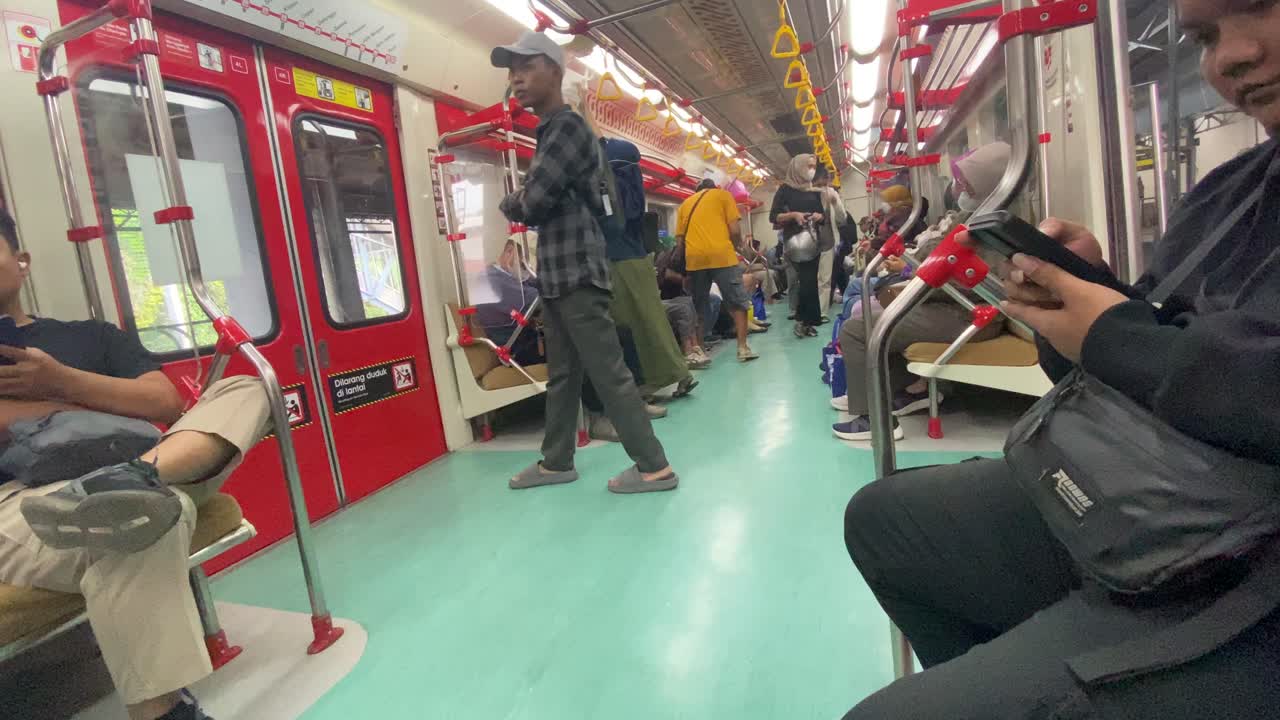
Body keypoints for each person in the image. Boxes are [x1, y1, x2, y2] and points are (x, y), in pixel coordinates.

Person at [841, 0, 1280, 715]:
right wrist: (1087, 298)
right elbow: (1160, 340)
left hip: (1248, 567)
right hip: (1177, 494)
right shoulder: (1233, 191)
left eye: (1255, 9)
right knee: (886, 520)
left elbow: (1175, 359)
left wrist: (1113, 334)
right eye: (1204, 36)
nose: (1228, 56)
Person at [0, 212, 269, 720]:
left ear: (22, 261)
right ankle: (164, 712)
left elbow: (164, 402)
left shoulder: (90, 337)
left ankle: (134, 478)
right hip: (21, 497)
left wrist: (62, 381)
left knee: (248, 387)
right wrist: (100, 405)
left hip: (145, 462)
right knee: (143, 515)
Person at [492, 31, 678, 494]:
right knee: (563, 376)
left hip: (575, 272)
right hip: (558, 275)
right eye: (511, 70)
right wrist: (527, 198)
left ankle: (654, 466)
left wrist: (510, 201)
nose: (515, 78)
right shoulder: (552, 130)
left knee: (608, 371)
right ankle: (556, 461)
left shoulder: (566, 127)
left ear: (555, 70)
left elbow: (533, 203)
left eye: (526, 67)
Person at [830, 145, 1010, 440]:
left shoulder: (988, 226)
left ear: (985, 185)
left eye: (967, 184)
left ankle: (874, 420)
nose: (959, 189)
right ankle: (876, 392)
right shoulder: (977, 217)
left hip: (970, 314)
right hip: (956, 306)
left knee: (857, 329)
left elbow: (968, 277)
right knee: (874, 316)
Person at [599, 138, 699, 396]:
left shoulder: (610, 188)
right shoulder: (633, 184)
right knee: (655, 321)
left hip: (619, 263)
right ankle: (679, 373)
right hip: (640, 260)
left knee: (630, 326)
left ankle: (645, 382)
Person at [676, 177, 758, 362]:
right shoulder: (724, 195)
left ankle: (700, 350)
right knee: (737, 302)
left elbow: (679, 241)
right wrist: (738, 247)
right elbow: (735, 230)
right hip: (722, 255)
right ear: (715, 187)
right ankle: (742, 348)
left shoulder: (685, 204)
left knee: (699, 305)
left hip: (695, 259)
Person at [770, 153, 827, 338]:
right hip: (795, 243)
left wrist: (820, 217)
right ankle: (804, 321)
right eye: (808, 166)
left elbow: (822, 214)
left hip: (813, 241)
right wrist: (793, 215)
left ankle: (806, 321)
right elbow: (774, 216)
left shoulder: (813, 190)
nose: (811, 170)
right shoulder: (785, 190)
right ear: (798, 167)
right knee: (805, 282)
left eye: (813, 167)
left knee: (809, 282)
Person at [475, 239, 542, 366]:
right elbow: (535, 299)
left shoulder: (513, 277)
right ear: (509, 251)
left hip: (529, 340)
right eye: (524, 266)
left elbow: (540, 286)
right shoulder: (489, 278)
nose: (527, 271)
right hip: (515, 349)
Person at [814, 166, 848, 315]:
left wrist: (834, 202)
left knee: (825, 279)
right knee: (811, 279)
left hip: (827, 240)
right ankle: (812, 310)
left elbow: (842, 219)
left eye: (825, 183)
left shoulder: (832, 194)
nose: (823, 187)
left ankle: (822, 312)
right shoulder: (805, 194)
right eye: (819, 184)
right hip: (809, 242)